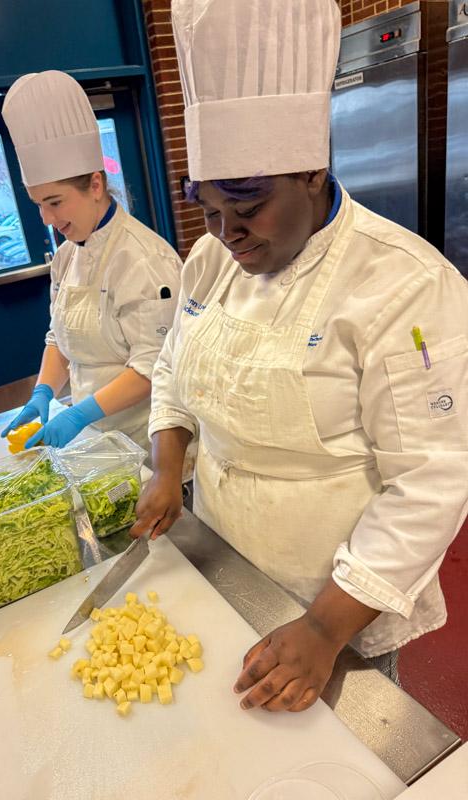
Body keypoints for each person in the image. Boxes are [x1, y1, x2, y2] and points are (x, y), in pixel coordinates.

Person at [131, 0, 468, 712]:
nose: (228, 235)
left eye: (247, 208)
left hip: (340, 602)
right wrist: (168, 465)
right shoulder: (208, 260)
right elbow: (173, 367)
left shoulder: (404, 287)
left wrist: (324, 626)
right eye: (209, 210)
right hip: (224, 564)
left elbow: (430, 485)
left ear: (313, 172)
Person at [1, 71, 182, 452]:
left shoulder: (144, 259)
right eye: (39, 205)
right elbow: (60, 337)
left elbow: (155, 367)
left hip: (147, 441)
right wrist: (44, 392)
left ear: (96, 185)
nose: (48, 220)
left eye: (55, 202)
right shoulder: (67, 256)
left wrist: (78, 414)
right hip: (98, 440)